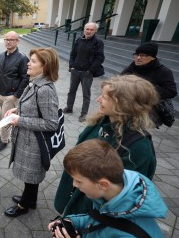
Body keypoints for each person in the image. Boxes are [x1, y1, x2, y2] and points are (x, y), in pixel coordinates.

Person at [54, 75, 159, 217]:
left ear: (124, 104)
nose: (98, 100)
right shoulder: (101, 121)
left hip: (91, 216)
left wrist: (85, 223)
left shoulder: (138, 147)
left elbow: (122, 199)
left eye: (105, 98)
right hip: (73, 195)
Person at [49, 139, 167, 238]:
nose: (74, 184)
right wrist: (72, 222)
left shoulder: (130, 237)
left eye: (79, 181)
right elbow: (100, 219)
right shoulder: (115, 194)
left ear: (103, 185)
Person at [2, 48, 60, 217]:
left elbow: (51, 123)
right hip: (28, 140)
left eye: (33, 61)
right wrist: (15, 111)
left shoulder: (45, 89)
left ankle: (23, 206)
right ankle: (31, 200)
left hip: (34, 143)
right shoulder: (34, 82)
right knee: (31, 175)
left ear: (45, 66)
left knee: (31, 174)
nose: (28, 63)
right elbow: (31, 109)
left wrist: (19, 120)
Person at [0, 31, 29, 152]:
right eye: (6, 39)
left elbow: (25, 78)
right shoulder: (1, 55)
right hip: (1, 92)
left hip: (11, 95)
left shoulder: (22, 58)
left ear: (17, 41)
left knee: (5, 119)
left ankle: (4, 141)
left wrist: (16, 95)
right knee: (2, 118)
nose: (8, 41)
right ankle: (3, 137)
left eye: (12, 39)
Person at [121, 42, 177, 126]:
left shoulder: (163, 71)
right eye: (136, 55)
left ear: (152, 57)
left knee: (136, 132)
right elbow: (118, 85)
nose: (138, 58)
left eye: (143, 55)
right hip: (127, 106)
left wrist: (146, 88)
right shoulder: (130, 69)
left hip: (147, 110)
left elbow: (171, 92)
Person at [63, 22, 105, 122]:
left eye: (91, 30)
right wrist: (71, 66)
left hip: (87, 73)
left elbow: (100, 58)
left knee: (86, 94)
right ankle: (69, 108)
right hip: (75, 71)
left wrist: (90, 70)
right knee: (71, 91)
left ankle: (84, 113)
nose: (89, 31)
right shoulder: (78, 40)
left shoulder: (98, 42)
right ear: (84, 29)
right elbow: (72, 54)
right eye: (87, 29)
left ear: (95, 31)